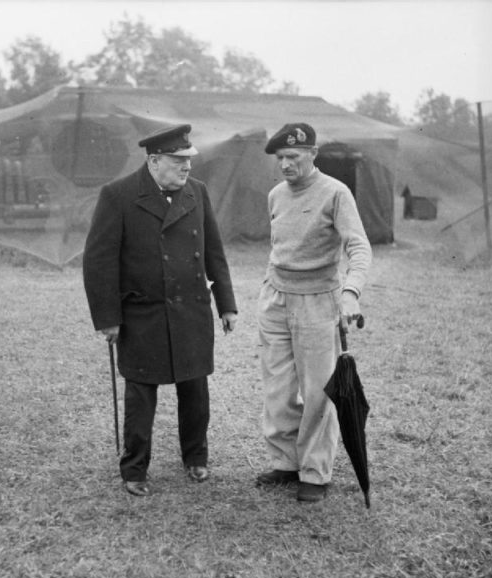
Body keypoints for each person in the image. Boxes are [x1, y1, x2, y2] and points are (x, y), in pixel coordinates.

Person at [83, 124, 238, 497]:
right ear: (154, 161)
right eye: (178, 161)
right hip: (142, 315)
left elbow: (214, 251)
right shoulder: (118, 195)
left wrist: (227, 305)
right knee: (141, 392)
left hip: (191, 310)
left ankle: (196, 458)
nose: (187, 168)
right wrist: (108, 318)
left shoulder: (197, 193)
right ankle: (134, 469)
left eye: (188, 160)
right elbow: (99, 261)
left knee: (195, 387)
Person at [256, 122, 372, 503]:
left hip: (318, 301)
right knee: (277, 388)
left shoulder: (336, 193)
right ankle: (286, 462)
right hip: (275, 299)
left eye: (293, 157)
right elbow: (282, 246)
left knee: (319, 391)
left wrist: (350, 293)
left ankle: (315, 472)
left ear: (313, 154)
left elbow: (359, 247)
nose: (285, 165)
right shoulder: (275, 195)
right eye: (280, 158)